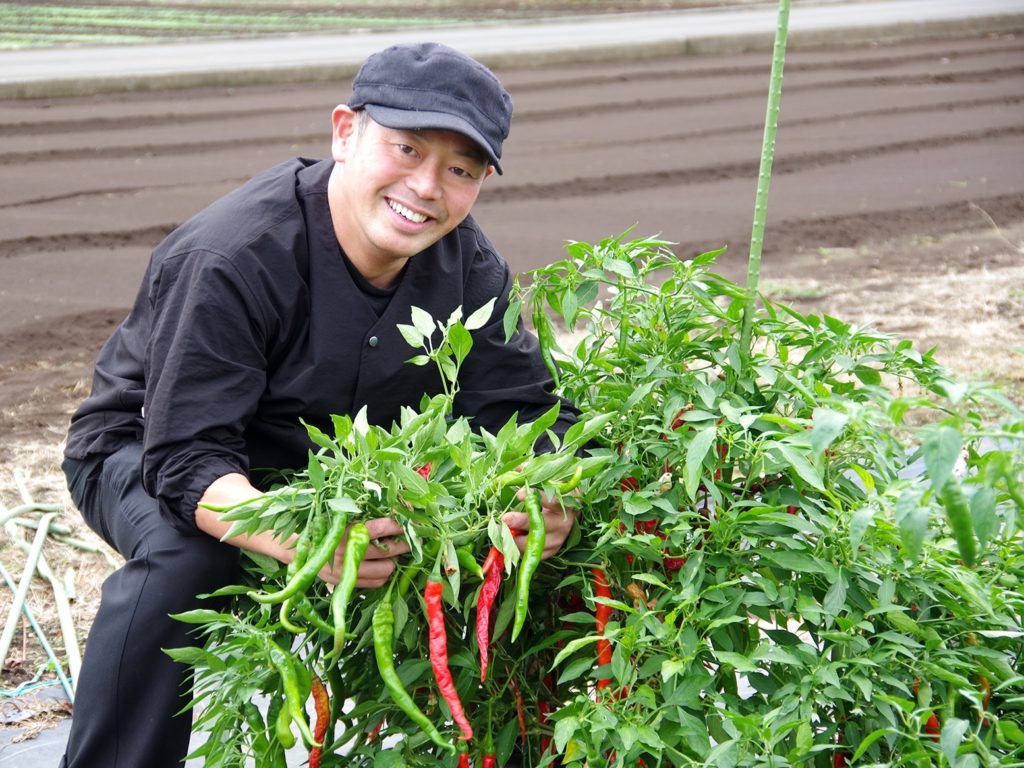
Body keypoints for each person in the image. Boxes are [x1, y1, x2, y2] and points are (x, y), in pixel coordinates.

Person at [59, 42, 578, 768]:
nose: (426, 186)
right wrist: (305, 541)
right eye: (406, 148)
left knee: (511, 552)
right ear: (345, 133)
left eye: (460, 170)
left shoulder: (468, 266)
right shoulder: (234, 255)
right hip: (148, 448)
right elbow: (185, 457)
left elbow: (521, 408)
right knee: (188, 564)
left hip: (329, 465)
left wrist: (548, 495)